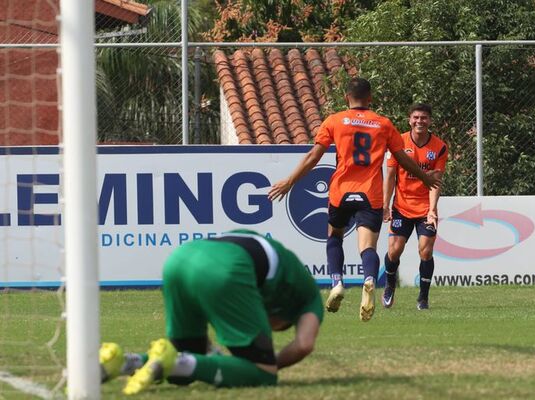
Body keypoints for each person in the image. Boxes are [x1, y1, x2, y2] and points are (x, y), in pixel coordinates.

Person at [268, 78, 441, 322]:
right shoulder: (383, 124)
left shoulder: (334, 120)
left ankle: (337, 282)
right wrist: (425, 177)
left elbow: (313, 156)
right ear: (370, 99)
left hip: (341, 191)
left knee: (334, 236)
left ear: (347, 98)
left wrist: (289, 181)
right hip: (370, 193)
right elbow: (402, 158)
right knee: (367, 247)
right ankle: (369, 280)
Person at [99, 229, 323, 395]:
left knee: (185, 364)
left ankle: (125, 363)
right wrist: (268, 365)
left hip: (179, 259)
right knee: (263, 374)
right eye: (275, 326)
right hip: (226, 267)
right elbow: (304, 344)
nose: (268, 326)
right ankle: (178, 362)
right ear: (285, 315)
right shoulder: (311, 297)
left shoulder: (277, 258)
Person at [381, 103, 448, 310]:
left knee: (425, 252)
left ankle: (423, 298)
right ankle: (390, 284)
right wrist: (385, 205)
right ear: (410, 119)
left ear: (430, 121)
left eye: (424, 118)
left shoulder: (439, 147)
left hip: (424, 209)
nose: (420, 121)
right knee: (394, 251)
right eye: (416, 117)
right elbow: (390, 177)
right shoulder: (398, 143)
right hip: (401, 206)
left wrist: (432, 209)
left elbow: (435, 181)